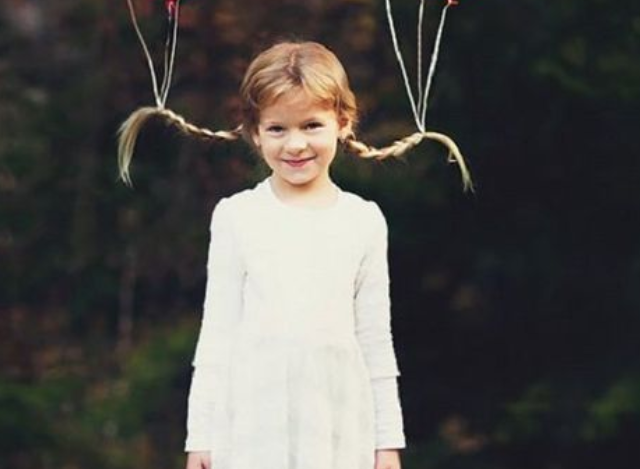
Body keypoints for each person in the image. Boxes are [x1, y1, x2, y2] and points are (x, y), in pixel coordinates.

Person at [116, 40, 472, 469]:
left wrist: (386, 445)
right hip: (252, 427)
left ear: (343, 122)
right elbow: (218, 335)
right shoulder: (236, 216)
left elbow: (375, 341)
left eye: (311, 125)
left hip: (338, 427)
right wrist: (201, 438)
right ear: (254, 131)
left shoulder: (363, 221)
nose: (295, 145)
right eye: (278, 129)